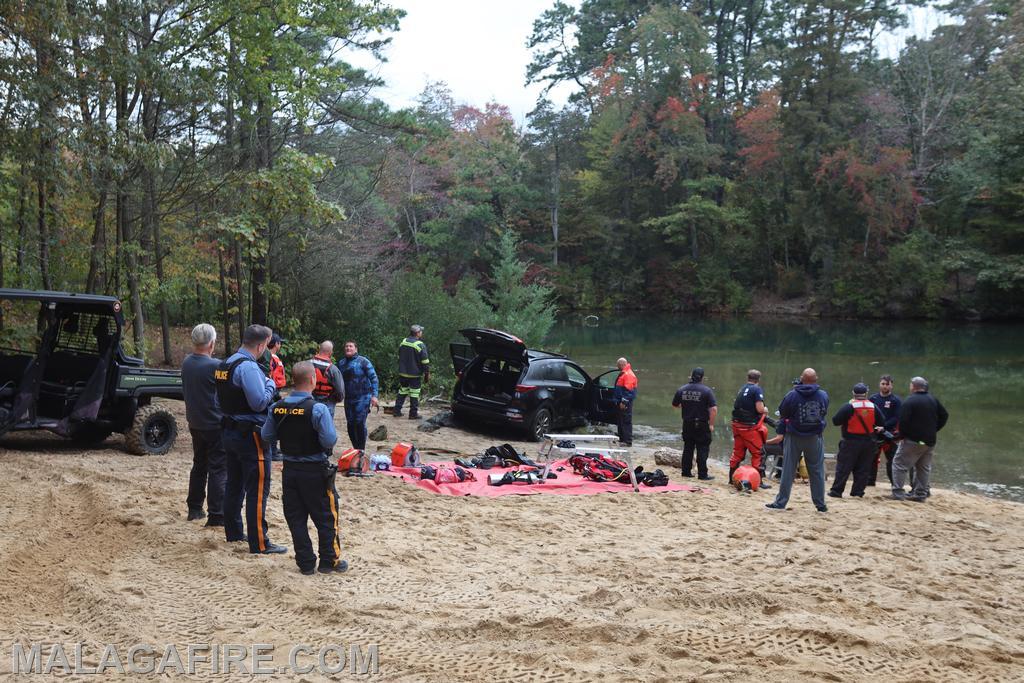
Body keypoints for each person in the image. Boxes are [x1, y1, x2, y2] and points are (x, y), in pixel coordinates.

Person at [262, 362, 348, 575]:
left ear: (293, 379)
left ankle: (306, 562)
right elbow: (329, 441)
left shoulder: (277, 407)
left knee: (296, 518)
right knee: (326, 517)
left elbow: (266, 436)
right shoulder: (317, 408)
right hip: (315, 470)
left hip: (290, 471)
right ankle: (329, 561)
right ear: (312, 380)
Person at [216, 324, 287, 555]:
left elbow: (218, 401)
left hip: (228, 431)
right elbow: (259, 402)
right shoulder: (248, 368)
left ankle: (234, 532)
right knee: (258, 488)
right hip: (250, 435)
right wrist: (270, 384)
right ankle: (260, 543)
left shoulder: (225, 364)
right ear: (261, 345)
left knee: (234, 484)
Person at [181, 323, 226, 526]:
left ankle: (195, 508)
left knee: (199, 464)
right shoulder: (215, 366)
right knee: (218, 467)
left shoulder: (187, 362)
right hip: (215, 424)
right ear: (211, 343)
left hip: (195, 422)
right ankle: (217, 514)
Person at [766, 368, 829, 513]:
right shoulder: (823, 395)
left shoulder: (792, 395)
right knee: (817, 470)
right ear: (816, 378)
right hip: (814, 437)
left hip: (794, 436)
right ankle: (820, 505)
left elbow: (783, 413)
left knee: (788, 469)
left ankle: (781, 502)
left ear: (802, 378)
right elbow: (824, 412)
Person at [891, 376, 948, 502]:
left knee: (899, 464)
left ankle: (898, 493)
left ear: (913, 386)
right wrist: (934, 429)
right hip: (929, 441)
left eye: (910, 385)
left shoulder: (910, 401)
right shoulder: (933, 399)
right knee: (923, 467)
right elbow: (944, 415)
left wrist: (901, 436)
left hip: (913, 440)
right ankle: (920, 494)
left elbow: (903, 422)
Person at [828, 383, 886, 499]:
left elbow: (835, 421)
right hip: (868, 442)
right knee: (863, 469)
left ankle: (836, 491)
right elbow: (882, 421)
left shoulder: (849, 406)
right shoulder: (873, 406)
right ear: (866, 394)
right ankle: (857, 492)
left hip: (850, 441)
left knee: (844, 468)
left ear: (853, 393)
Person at [672, 367, 717, 481]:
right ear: (702, 377)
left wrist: (686, 406)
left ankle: (686, 472)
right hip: (701, 423)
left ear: (691, 376)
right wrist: (711, 424)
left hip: (687, 423)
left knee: (688, 448)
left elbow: (675, 405)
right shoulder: (707, 391)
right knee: (702, 448)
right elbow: (714, 409)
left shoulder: (682, 389)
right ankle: (702, 474)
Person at [729, 369, 772, 489]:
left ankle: (731, 478)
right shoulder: (757, 389)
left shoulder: (742, 388)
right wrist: (765, 410)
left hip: (737, 424)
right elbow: (759, 409)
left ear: (747, 378)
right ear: (758, 379)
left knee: (738, 452)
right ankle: (758, 481)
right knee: (758, 453)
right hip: (749, 427)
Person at [336, 341, 379, 450]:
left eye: (350, 346)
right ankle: (356, 448)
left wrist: (374, 396)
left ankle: (361, 449)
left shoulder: (363, 362)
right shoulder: (341, 363)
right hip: (349, 398)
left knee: (359, 423)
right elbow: (338, 381)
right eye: (346, 346)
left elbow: (374, 378)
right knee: (350, 425)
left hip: (363, 397)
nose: (348, 348)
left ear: (356, 349)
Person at [869, 374, 902, 485]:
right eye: (883, 384)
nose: (885, 386)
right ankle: (870, 482)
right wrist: (874, 427)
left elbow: (896, 418)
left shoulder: (896, 400)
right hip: (875, 433)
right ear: (879, 384)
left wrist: (884, 427)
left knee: (892, 460)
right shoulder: (873, 399)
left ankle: (894, 483)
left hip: (889, 434)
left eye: (887, 384)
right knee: (872, 459)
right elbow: (869, 415)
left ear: (891, 386)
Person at [394, 324, 430, 419]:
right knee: (414, 393)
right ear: (417, 333)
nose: (422, 333)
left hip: (402, 372)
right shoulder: (420, 345)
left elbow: (400, 356)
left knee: (403, 390)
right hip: (414, 374)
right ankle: (413, 414)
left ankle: (396, 411)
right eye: (421, 331)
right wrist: (427, 374)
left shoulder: (403, 342)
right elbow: (425, 362)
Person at [265, 333, 287, 462]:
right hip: (272, 391)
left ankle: (274, 448)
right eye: (280, 342)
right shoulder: (270, 358)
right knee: (273, 420)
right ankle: (272, 451)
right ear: (276, 344)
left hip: (275, 391)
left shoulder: (270, 357)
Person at [309, 341, 345, 417]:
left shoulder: (306, 364)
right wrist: (338, 399)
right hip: (327, 403)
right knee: (325, 427)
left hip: (309, 402)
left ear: (319, 349)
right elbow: (340, 390)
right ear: (330, 352)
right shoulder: (333, 369)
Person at [612, 357, 638, 447]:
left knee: (626, 421)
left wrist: (624, 402)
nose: (617, 367)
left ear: (622, 364)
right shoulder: (624, 373)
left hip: (625, 403)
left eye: (618, 365)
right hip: (620, 401)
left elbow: (629, 391)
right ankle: (621, 438)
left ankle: (627, 441)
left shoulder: (628, 374)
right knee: (621, 420)